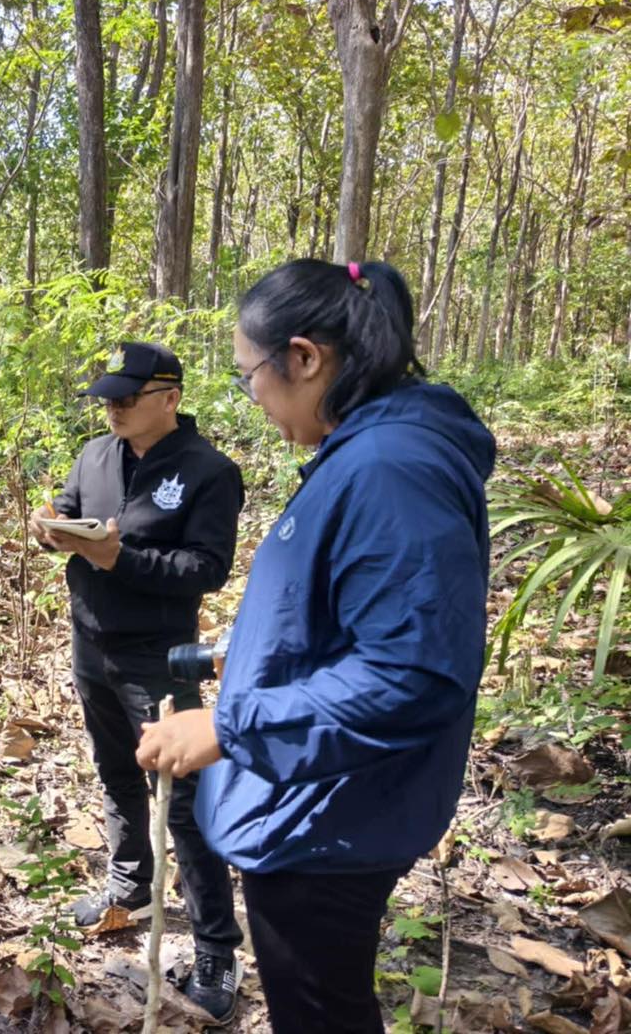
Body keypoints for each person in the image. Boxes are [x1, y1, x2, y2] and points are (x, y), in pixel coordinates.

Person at [135, 260, 495, 1033]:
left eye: (249, 377)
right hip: (318, 799)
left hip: (329, 818)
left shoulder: (393, 468)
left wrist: (229, 727)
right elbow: (362, 614)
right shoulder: (368, 452)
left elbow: (413, 673)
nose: (253, 399)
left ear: (304, 358)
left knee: (320, 1012)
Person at [30, 342, 246, 1024]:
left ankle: (217, 947)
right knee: (117, 771)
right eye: (108, 400)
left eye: (127, 398)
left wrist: (121, 557)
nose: (114, 409)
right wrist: (49, 529)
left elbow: (206, 568)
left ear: (169, 398)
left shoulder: (209, 470)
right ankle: (133, 884)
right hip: (90, 638)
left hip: (159, 652)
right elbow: (65, 509)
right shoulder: (97, 454)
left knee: (182, 799)